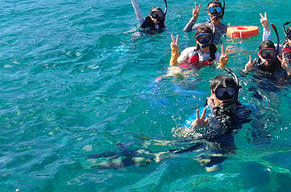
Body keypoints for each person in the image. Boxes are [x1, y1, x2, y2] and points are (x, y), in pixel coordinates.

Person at [89, 72, 253, 171]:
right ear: (212, 93)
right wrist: (195, 128)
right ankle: (134, 155)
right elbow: (179, 134)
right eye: (221, 93)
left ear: (236, 93)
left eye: (230, 92)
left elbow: (259, 122)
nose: (226, 98)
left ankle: (151, 156)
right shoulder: (204, 113)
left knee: (214, 168)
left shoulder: (245, 109)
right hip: (204, 138)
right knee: (171, 154)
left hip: (223, 141)